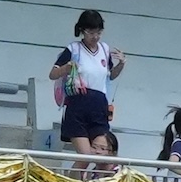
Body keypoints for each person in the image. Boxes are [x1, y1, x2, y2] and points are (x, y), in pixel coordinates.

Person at [50, 10, 125, 152]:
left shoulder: (104, 49)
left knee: (103, 153)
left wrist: (121, 64)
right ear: (82, 30)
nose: (95, 37)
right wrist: (66, 68)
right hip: (78, 106)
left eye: (99, 33)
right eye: (91, 33)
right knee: (85, 155)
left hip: (99, 106)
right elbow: (53, 74)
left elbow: (110, 76)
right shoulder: (73, 49)